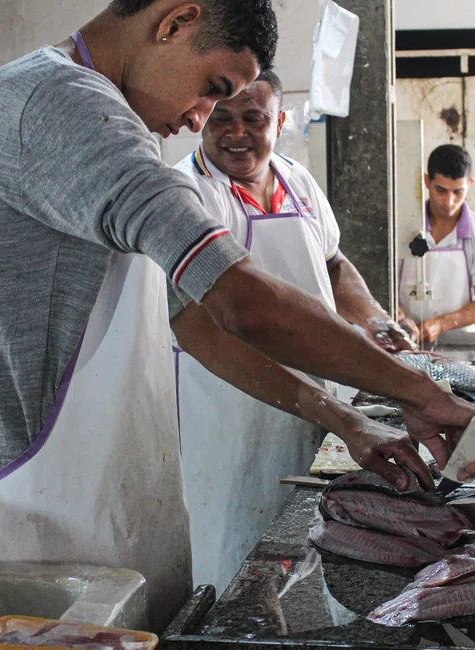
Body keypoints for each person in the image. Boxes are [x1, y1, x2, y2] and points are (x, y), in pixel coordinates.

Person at [0, 0, 475, 630]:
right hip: (44, 526)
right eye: (212, 92)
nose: (198, 121)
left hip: (105, 508)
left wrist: (345, 417)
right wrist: (418, 392)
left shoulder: (94, 118)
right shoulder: (57, 104)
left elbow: (193, 321)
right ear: (175, 22)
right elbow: (241, 303)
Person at [172, 70, 412, 590]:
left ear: (279, 122)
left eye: (254, 119)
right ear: (201, 118)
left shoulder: (296, 180)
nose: (237, 133)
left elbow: (333, 266)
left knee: (312, 543)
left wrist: (373, 318)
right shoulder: (186, 194)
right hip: (229, 407)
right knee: (235, 551)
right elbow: (209, 321)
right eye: (222, 118)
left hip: (320, 406)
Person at [396, 144, 475, 346]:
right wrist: (395, 312)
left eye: (458, 192)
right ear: (427, 181)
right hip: (403, 340)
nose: (449, 201)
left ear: (470, 184)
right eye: (441, 190)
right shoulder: (400, 227)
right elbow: (378, 283)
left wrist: (440, 324)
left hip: (460, 345)